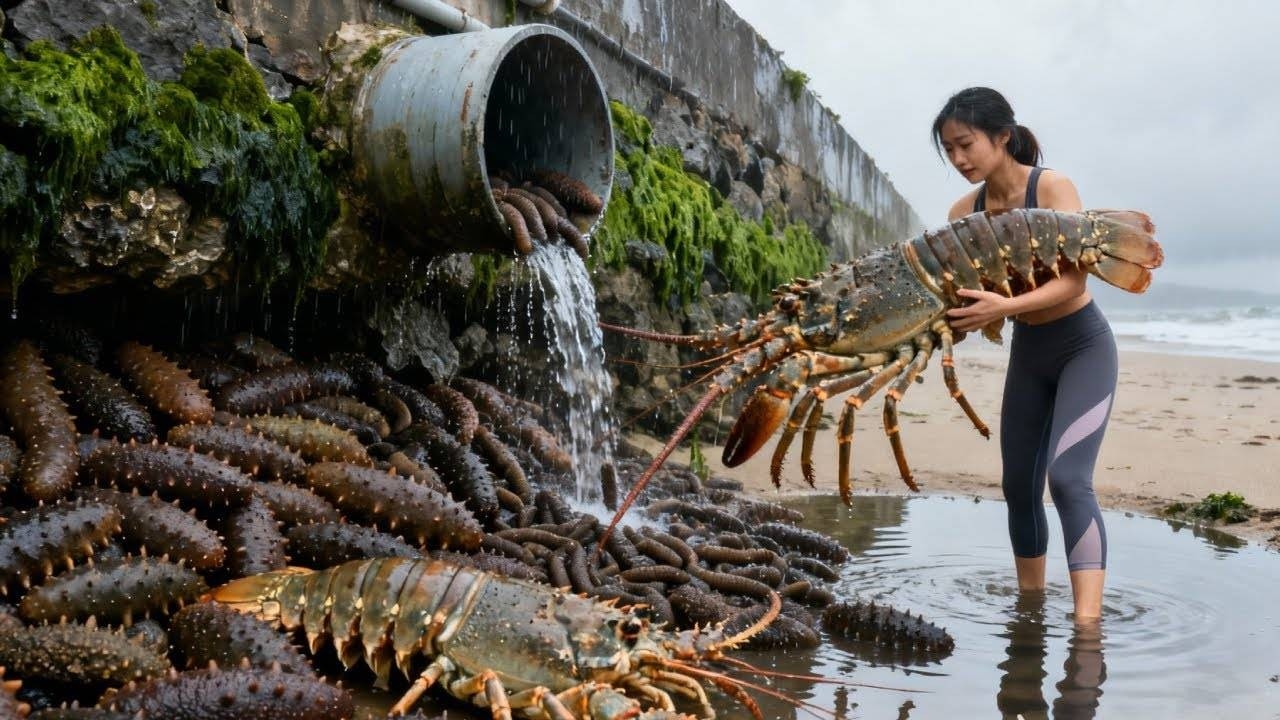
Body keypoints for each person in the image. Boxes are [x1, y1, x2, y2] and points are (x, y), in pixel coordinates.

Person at [932, 87, 1118, 621]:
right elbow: (964, 296)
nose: (959, 158)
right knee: (1018, 487)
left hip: (1082, 346)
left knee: (1068, 480)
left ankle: (1087, 625)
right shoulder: (963, 212)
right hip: (1030, 354)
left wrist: (1005, 306)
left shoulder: (1052, 187)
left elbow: (1076, 279)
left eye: (966, 143)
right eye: (949, 149)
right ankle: (1030, 609)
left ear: (1003, 137)